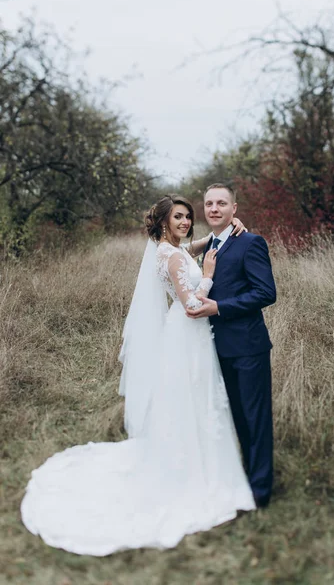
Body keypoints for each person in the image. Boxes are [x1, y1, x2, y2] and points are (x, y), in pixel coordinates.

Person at [20, 193, 255, 556]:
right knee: (191, 398)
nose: (186, 222)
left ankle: (197, 463)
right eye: (179, 217)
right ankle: (191, 473)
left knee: (190, 400)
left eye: (188, 217)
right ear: (164, 221)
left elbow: (193, 246)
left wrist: (225, 230)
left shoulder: (168, 250)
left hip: (183, 337)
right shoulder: (173, 256)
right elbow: (192, 305)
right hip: (188, 333)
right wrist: (207, 277)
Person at [187, 183, 276, 508]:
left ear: (234, 209)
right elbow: (172, 253)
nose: (214, 208)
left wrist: (219, 307)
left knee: (256, 417)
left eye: (221, 203)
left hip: (248, 346)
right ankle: (243, 479)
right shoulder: (211, 242)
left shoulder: (251, 243)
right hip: (218, 348)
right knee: (236, 416)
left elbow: (266, 293)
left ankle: (260, 492)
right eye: (209, 203)